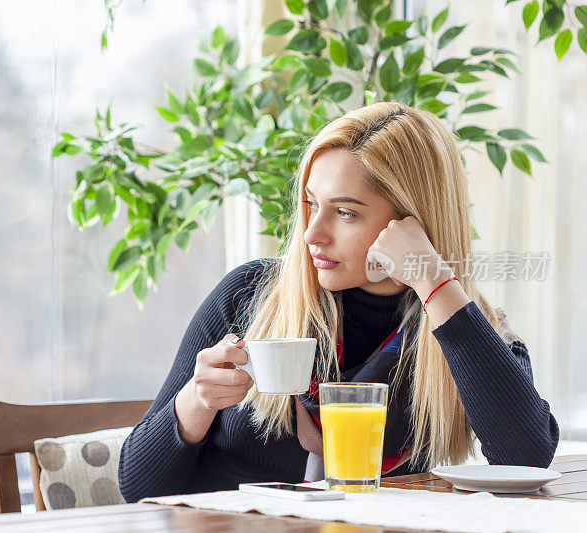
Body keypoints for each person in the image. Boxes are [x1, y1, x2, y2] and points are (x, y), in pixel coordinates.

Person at [118, 102, 559, 503]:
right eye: (311, 204)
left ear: (413, 222)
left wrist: (435, 283)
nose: (312, 233)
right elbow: (136, 487)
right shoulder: (250, 295)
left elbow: (526, 460)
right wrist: (196, 401)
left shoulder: (462, 325)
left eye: (345, 212)